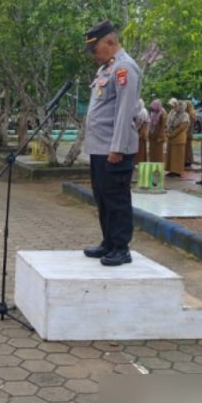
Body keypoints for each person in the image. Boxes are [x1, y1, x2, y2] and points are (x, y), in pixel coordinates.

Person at [80, 20, 141, 267]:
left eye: (95, 49)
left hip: (114, 149)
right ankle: (109, 242)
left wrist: (117, 147)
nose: (93, 55)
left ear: (110, 42)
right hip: (99, 148)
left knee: (116, 198)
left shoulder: (125, 68)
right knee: (102, 197)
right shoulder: (106, 69)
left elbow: (125, 111)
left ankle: (121, 247)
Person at [165, 99, 189, 178]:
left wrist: (171, 135)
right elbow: (170, 123)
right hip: (172, 138)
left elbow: (181, 128)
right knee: (172, 156)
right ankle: (172, 170)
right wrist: (168, 132)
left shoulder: (185, 116)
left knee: (177, 156)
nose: (176, 107)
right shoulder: (175, 114)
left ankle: (177, 171)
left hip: (179, 139)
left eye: (178, 106)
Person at [146, 99, 166, 164]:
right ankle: (152, 167)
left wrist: (160, 137)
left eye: (154, 106)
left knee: (158, 154)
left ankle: (158, 168)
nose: (152, 108)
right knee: (152, 153)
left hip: (158, 137)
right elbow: (150, 124)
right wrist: (149, 133)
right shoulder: (154, 113)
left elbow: (162, 127)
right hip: (153, 136)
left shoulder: (162, 113)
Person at [183, 100, 196, 169]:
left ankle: (188, 161)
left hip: (188, 133)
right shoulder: (191, 114)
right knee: (188, 148)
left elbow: (189, 125)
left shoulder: (190, 114)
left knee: (188, 148)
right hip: (189, 133)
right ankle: (188, 160)